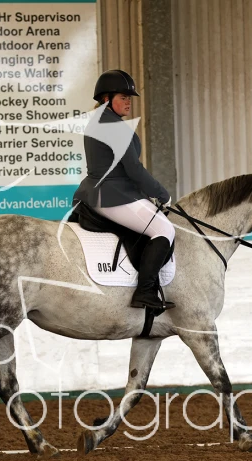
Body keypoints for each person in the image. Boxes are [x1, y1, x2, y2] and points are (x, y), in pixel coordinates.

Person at [72, 69, 176, 310]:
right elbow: (134, 169)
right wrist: (163, 194)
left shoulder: (99, 120)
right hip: (113, 194)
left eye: (129, 98)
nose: (128, 102)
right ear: (106, 99)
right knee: (164, 229)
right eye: (123, 97)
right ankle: (145, 291)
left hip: (96, 191)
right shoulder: (113, 126)